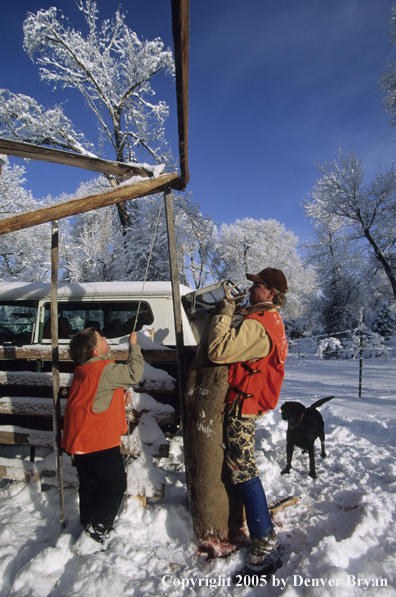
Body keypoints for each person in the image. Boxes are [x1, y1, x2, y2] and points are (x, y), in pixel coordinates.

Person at [208, 268, 288, 581]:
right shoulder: (267, 319)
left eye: (257, 286)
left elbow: (218, 352)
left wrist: (224, 312)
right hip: (247, 403)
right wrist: (243, 312)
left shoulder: (261, 326)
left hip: (243, 407)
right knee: (242, 469)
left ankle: (265, 547)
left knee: (244, 471)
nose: (251, 288)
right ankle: (261, 536)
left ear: (270, 293)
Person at [61, 327, 144, 554]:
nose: (106, 337)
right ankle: (95, 533)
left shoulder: (83, 367)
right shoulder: (106, 369)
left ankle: (87, 522)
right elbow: (135, 372)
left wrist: (118, 396)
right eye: (101, 338)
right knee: (115, 484)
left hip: (78, 439)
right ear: (96, 351)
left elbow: (97, 394)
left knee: (89, 483)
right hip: (97, 440)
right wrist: (134, 347)